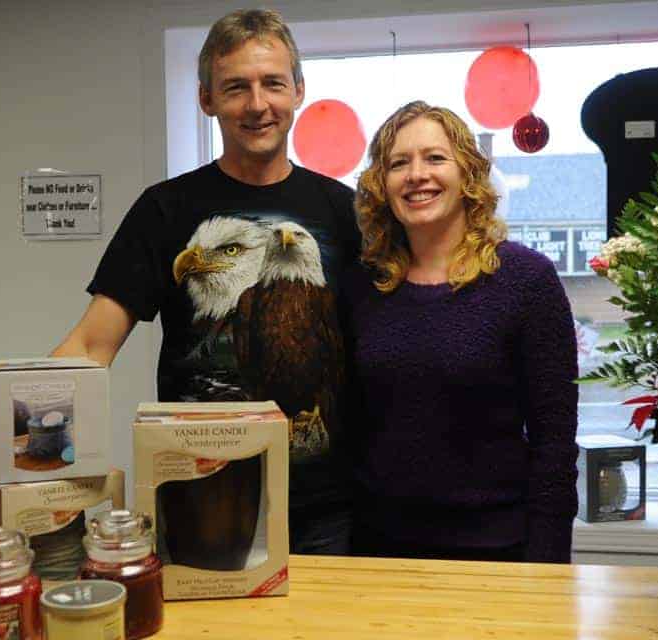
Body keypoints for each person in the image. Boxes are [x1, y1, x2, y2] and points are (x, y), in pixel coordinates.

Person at [53, 9, 359, 554]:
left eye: (273, 84)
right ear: (206, 99)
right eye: (236, 87)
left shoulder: (343, 210)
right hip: (200, 493)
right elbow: (91, 345)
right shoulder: (164, 210)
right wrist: (13, 429)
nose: (258, 104)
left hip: (326, 507)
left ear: (299, 91)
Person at [342, 101, 578, 563]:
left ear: (467, 173)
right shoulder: (362, 287)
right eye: (398, 163)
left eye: (435, 158)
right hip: (379, 551)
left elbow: (554, 441)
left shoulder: (526, 281)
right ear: (381, 184)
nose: (417, 175)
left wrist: (548, 567)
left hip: (495, 551)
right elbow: (353, 428)